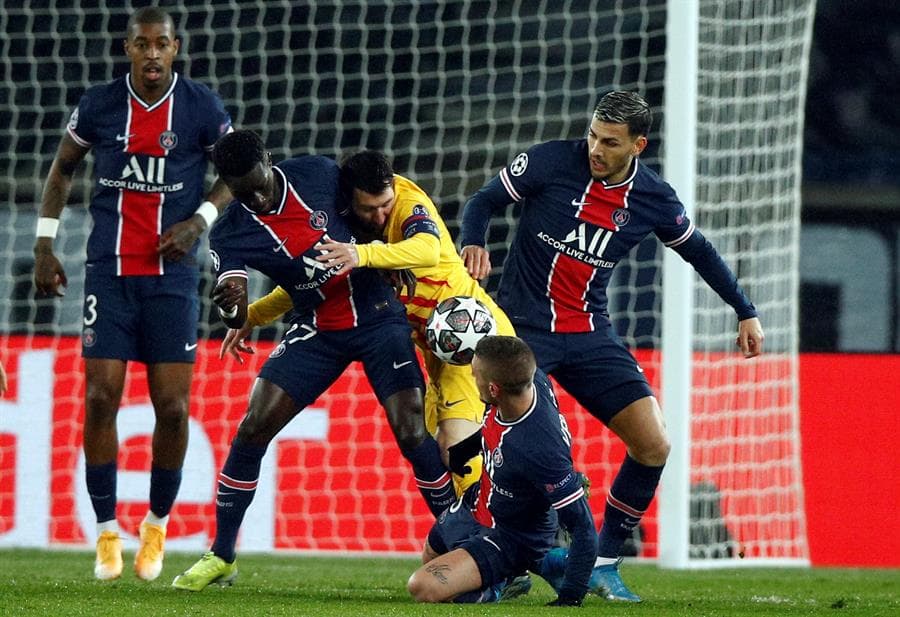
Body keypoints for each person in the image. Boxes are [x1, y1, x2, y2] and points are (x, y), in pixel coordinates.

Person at [459, 90, 765, 602]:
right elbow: (483, 200)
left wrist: (745, 309)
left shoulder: (652, 198)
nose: (596, 148)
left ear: (637, 145)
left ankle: (602, 560)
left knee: (653, 444)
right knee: (518, 446)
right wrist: (473, 238)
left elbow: (701, 253)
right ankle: (505, 557)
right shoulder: (550, 161)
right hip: (524, 336)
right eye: (594, 136)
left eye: (610, 142)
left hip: (588, 334)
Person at [171, 130, 453, 592]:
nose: (257, 196)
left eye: (260, 182)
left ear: (268, 160)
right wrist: (231, 308)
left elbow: (371, 216)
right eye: (244, 191)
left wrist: (385, 256)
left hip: (379, 316)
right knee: (253, 426)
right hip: (317, 329)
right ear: (227, 185)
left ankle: (464, 538)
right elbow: (235, 308)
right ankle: (221, 554)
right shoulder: (229, 233)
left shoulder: (319, 175)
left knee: (410, 430)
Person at [31, 6, 233, 582]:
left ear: (176, 49)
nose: (151, 54)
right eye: (142, 44)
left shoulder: (201, 107)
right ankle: (105, 534)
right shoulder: (99, 104)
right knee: (100, 398)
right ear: (128, 49)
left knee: (172, 407)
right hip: (108, 272)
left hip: (171, 279)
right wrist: (45, 246)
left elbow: (237, 174)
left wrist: (197, 222)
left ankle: (156, 525)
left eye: (161, 45)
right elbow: (62, 168)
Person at [229, 150, 515, 498]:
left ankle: (497, 537)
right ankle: (482, 526)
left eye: (386, 204)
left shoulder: (407, 202)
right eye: (370, 208)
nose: (381, 215)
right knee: (436, 452)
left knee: (457, 449)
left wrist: (362, 255)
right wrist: (252, 316)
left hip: (470, 336)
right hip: (434, 349)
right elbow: (315, 282)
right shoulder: (346, 225)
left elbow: (427, 248)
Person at [406, 335, 598, 605]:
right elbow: (493, 425)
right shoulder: (526, 381)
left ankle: (503, 581)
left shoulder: (539, 448)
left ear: (494, 389)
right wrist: (464, 451)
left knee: (423, 588)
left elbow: (584, 528)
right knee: (431, 555)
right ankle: (536, 567)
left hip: (511, 535)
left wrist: (570, 598)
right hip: (480, 500)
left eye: (476, 377)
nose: (473, 380)